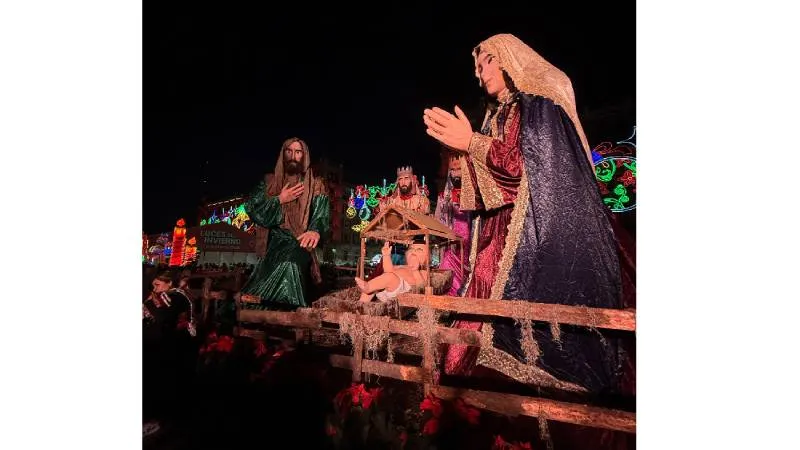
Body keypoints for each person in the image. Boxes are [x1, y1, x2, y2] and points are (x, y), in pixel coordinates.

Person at [423, 34, 624, 396]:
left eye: (485, 62)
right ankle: (456, 406)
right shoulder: (497, 115)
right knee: (469, 327)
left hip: (528, 236)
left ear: (508, 59)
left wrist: (470, 143)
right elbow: (488, 182)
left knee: (507, 338)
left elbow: (522, 171)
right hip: (496, 237)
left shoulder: (539, 108)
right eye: (476, 66)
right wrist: (469, 147)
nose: (478, 73)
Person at [240, 137, 331, 310]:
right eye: (289, 151)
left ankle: (291, 316)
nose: (293, 156)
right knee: (259, 280)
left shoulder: (316, 185)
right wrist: (279, 200)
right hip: (273, 244)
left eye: (298, 152)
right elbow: (252, 208)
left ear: (304, 156)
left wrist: (315, 230)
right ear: (283, 154)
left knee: (291, 265)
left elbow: (321, 216)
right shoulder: (269, 182)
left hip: (299, 241)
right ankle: (258, 315)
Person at [143, 270, 197, 436]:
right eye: (153, 284)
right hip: (162, 346)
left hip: (171, 347)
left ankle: (157, 421)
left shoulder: (177, 297)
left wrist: (147, 307)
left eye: (158, 284)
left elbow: (159, 315)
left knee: (161, 382)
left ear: (170, 283)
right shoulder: (169, 296)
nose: (155, 288)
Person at [355, 241, 429, 302]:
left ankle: (367, 287)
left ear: (426, 258)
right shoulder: (401, 266)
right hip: (388, 289)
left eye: (419, 249)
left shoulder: (423, 272)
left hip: (403, 291)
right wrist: (386, 256)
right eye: (411, 249)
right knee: (376, 284)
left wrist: (415, 271)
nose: (414, 252)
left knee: (388, 278)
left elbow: (421, 286)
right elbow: (388, 271)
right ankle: (360, 305)